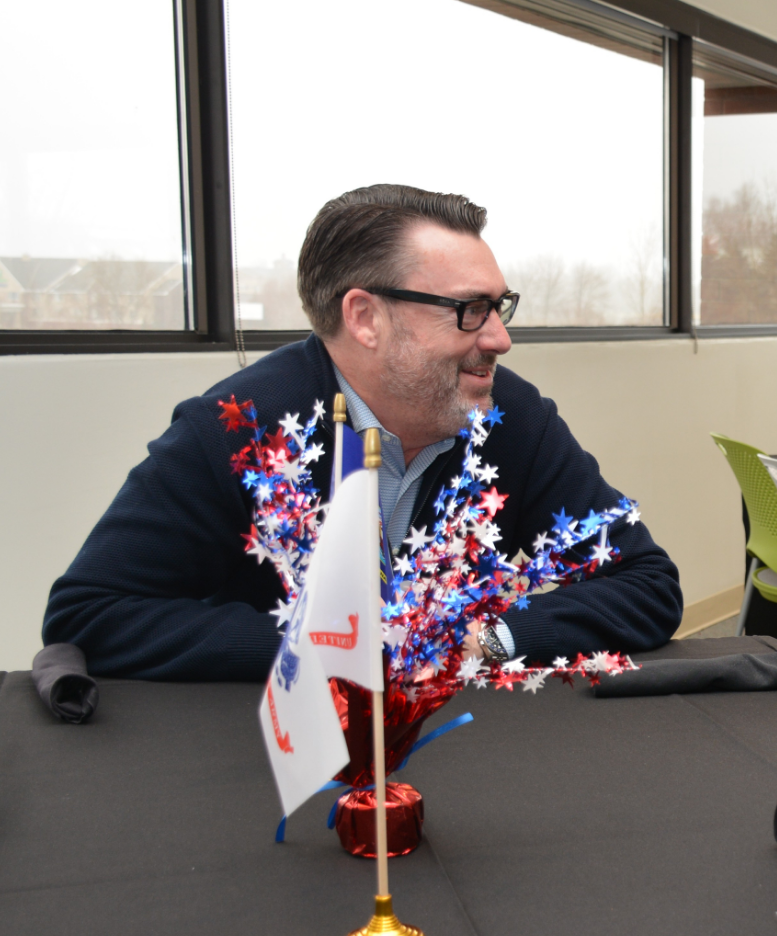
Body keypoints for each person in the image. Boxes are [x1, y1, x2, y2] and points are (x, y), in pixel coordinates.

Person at [43, 185, 683, 681]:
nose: (500, 339)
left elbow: (645, 585)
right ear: (364, 317)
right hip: (271, 769)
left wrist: (487, 638)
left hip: (464, 747)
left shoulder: (511, 420)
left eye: (499, 306)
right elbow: (90, 613)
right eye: (470, 310)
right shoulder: (239, 429)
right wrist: (334, 647)